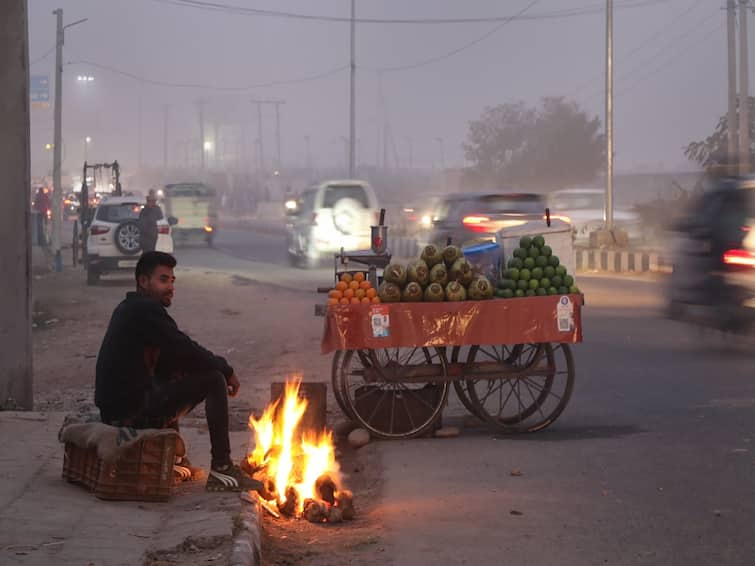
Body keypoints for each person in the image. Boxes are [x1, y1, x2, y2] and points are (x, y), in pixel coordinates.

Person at [94, 251, 261, 492]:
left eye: (172, 281)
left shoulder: (132, 308)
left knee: (177, 369)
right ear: (143, 281)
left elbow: (177, 355)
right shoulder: (144, 310)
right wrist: (225, 369)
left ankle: (176, 459)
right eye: (163, 280)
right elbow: (184, 347)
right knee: (213, 379)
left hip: (119, 409)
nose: (170, 287)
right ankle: (222, 468)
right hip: (128, 413)